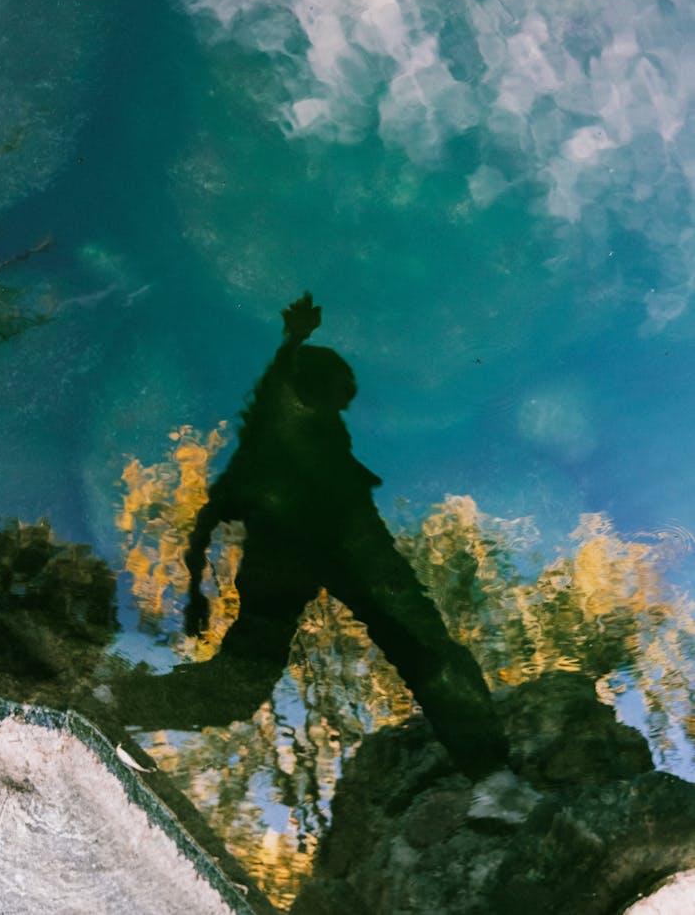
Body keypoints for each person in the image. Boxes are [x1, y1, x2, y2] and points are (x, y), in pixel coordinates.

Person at [177, 294, 508, 780]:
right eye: (340, 391)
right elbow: (273, 392)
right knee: (412, 638)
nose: (346, 402)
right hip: (319, 536)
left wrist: (195, 591)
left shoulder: (293, 440)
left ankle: (491, 774)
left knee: (415, 641)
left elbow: (208, 519)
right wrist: (295, 337)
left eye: (346, 395)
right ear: (317, 386)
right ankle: (115, 700)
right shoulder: (283, 418)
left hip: (313, 539)